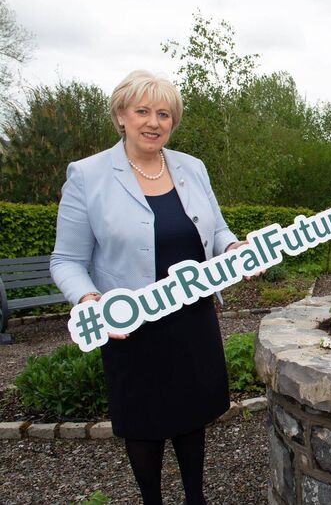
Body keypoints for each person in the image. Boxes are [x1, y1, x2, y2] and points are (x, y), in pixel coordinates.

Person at [51, 70, 244, 504]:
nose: (153, 122)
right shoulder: (87, 175)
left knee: (193, 417)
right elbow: (66, 261)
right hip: (131, 326)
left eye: (164, 114)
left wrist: (234, 248)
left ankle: (196, 498)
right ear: (121, 115)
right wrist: (90, 299)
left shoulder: (193, 168)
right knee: (144, 423)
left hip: (193, 319)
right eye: (142, 111)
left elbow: (217, 231)